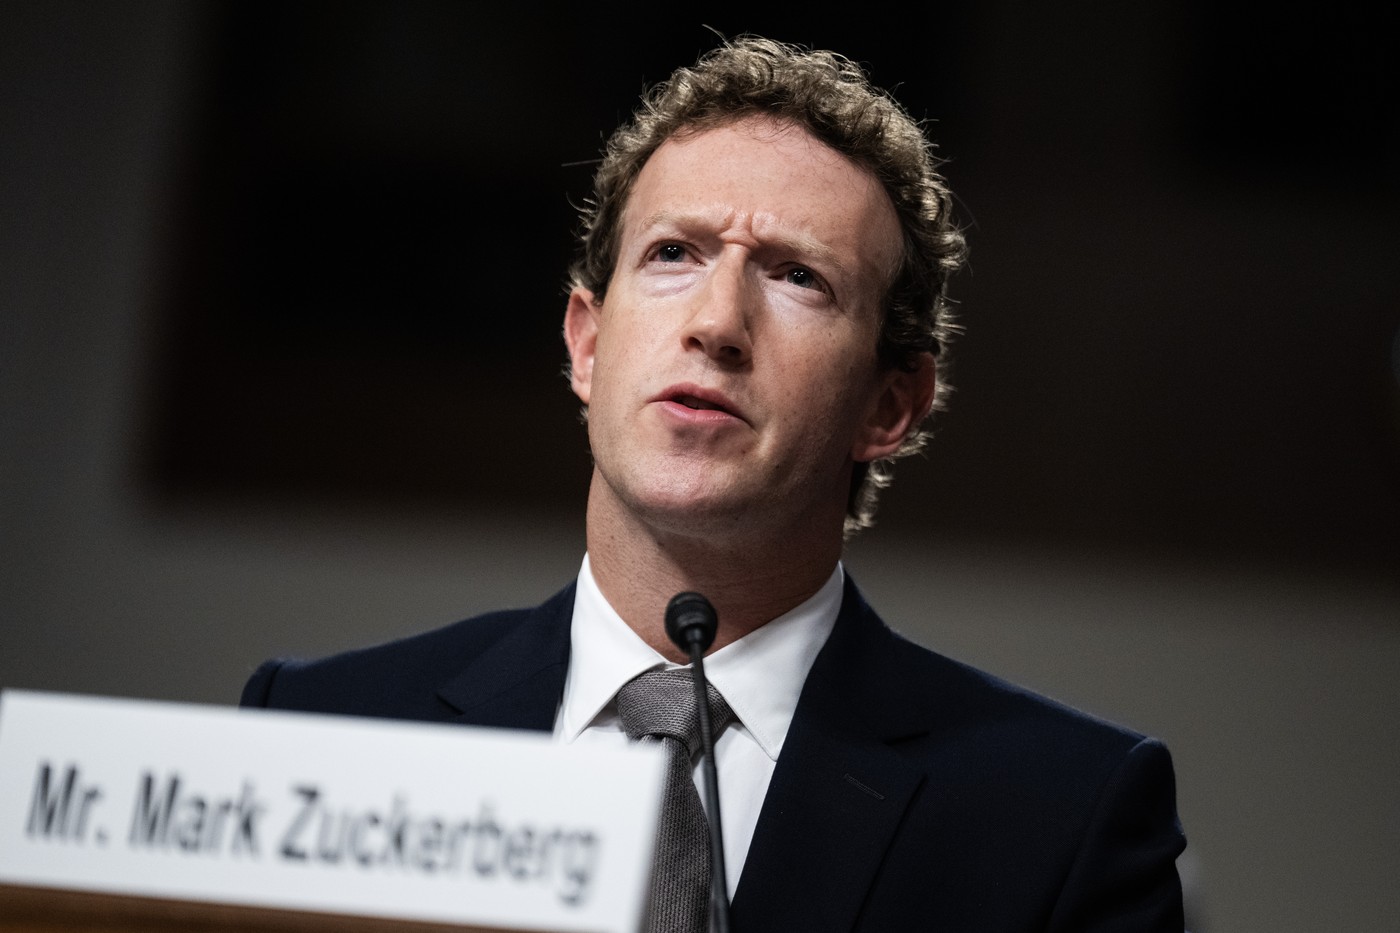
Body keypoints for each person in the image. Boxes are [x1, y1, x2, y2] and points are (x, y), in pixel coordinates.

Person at [242, 36, 1186, 932]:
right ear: (587, 341)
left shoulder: (1062, 815)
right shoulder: (324, 733)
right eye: (673, 254)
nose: (717, 321)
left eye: (798, 277)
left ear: (891, 405)